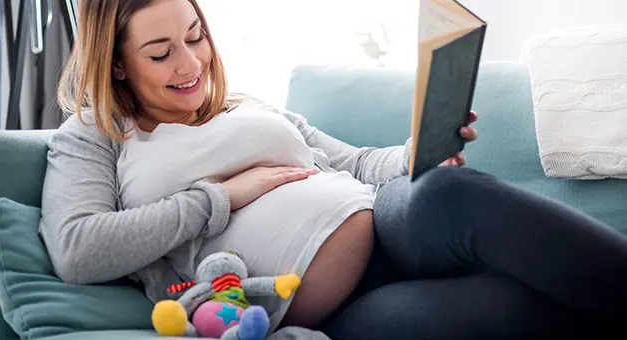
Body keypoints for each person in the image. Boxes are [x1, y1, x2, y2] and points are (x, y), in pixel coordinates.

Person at [40, 0, 627, 339]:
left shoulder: (248, 107)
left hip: (386, 218)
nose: (190, 62)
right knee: (515, 304)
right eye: (161, 52)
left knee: (445, 188)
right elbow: (77, 249)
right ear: (116, 65)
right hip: (329, 304)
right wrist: (221, 196)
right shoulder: (94, 136)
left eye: (196, 37)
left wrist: (418, 151)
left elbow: (356, 163)